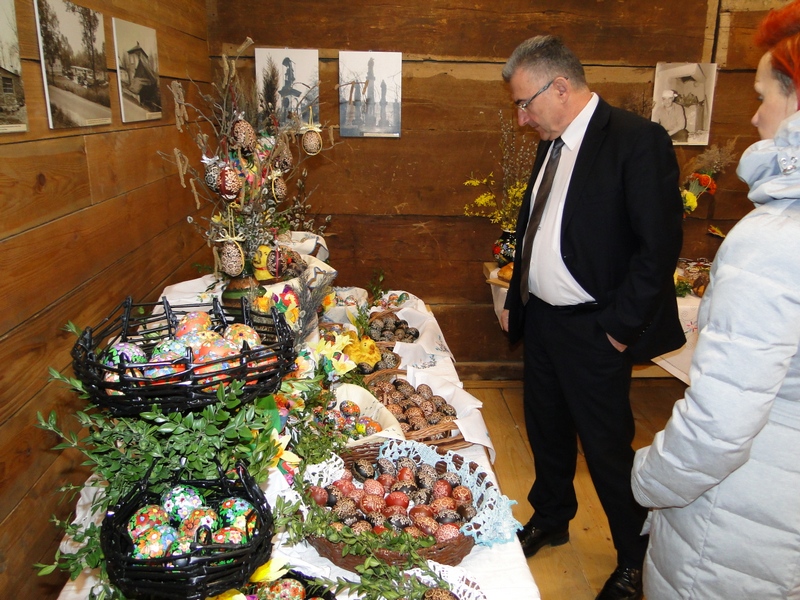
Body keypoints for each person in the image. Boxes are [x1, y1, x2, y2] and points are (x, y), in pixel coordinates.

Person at [500, 36, 685, 600]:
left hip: (596, 328)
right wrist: (518, 297)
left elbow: (658, 248)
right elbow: (537, 228)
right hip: (545, 321)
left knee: (606, 448)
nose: (522, 117)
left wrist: (617, 330)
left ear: (560, 87)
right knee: (546, 431)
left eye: (525, 103)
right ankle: (552, 516)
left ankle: (633, 556)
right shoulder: (552, 143)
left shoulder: (636, 140)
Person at [631, 3, 800, 599]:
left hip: (742, 528)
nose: (754, 116)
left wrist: (648, 477)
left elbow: (720, 427)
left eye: (762, 96)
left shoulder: (774, 241)